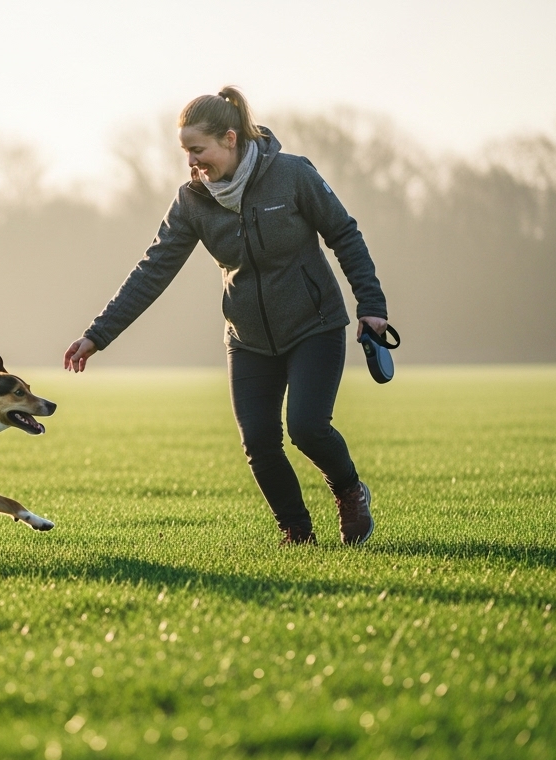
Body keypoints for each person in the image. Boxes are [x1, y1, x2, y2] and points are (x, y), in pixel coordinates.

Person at [62, 86, 389, 546]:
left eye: (198, 150)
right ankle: (297, 531)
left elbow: (344, 234)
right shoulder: (192, 201)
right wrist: (98, 334)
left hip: (314, 325)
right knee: (258, 442)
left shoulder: (293, 175)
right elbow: (152, 270)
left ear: (230, 139)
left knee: (307, 427)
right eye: (185, 152)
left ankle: (350, 491)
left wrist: (371, 306)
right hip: (248, 337)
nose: (192, 162)